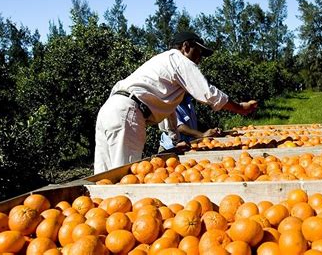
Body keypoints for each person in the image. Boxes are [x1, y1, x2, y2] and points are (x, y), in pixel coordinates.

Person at [94, 31, 258, 174]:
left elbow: (167, 109)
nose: (199, 59)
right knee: (123, 177)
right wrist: (240, 108)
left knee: (104, 177)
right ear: (186, 47)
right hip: (128, 113)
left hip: (110, 109)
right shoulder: (179, 59)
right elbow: (208, 94)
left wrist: (175, 140)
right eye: (198, 52)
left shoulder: (162, 63)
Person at [158, 93, 222, 152]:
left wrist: (210, 131)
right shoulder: (169, 102)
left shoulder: (187, 100)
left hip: (188, 146)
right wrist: (202, 135)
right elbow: (178, 127)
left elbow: (191, 123)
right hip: (171, 148)